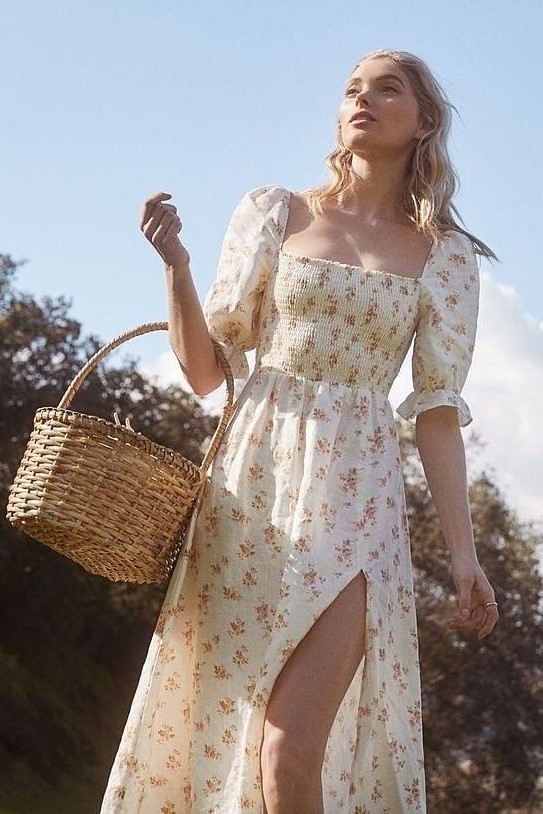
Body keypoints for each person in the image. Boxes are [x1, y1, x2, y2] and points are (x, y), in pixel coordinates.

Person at [101, 49, 499, 813]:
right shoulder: (274, 212)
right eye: (351, 89)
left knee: (288, 748)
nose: (362, 100)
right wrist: (176, 264)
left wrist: (463, 558)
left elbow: (438, 413)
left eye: (386, 89)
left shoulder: (444, 256)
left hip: (358, 499)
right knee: (226, 729)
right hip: (252, 489)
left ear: (423, 122)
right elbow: (206, 371)